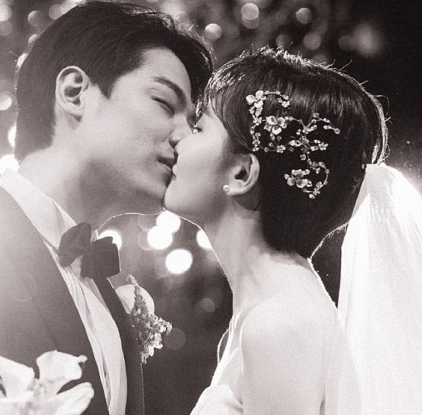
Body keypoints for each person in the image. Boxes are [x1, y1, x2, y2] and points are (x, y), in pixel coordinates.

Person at [0, 2, 212, 415]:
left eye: (192, 123)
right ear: (74, 93)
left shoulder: (107, 296)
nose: (185, 138)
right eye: (164, 103)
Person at [165, 47, 422, 414]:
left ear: (241, 173)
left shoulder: (280, 323)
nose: (179, 139)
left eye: (199, 127)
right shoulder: (266, 312)